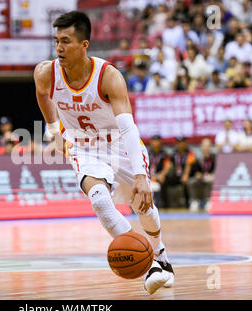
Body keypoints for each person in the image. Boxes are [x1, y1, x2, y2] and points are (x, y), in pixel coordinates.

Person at [34, 11, 174, 295]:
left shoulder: (108, 76)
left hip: (119, 146)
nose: (59, 48)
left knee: (144, 207)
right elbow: (41, 93)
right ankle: (150, 268)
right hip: (84, 148)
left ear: (84, 45)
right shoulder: (46, 72)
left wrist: (140, 176)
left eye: (66, 41)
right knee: (99, 200)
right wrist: (52, 130)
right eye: (56, 41)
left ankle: (160, 253)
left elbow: (128, 128)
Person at [187, 138, 216, 212]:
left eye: (208, 146)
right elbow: (195, 171)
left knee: (211, 182)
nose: (206, 148)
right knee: (191, 181)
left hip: (210, 177)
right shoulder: (197, 157)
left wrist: (212, 175)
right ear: (201, 146)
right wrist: (199, 175)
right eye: (204, 146)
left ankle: (208, 201)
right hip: (201, 177)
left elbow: (216, 169)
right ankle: (194, 201)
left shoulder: (214, 157)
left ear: (210, 147)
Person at [147, 135, 171, 209]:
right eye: (154, 141)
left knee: (161, 181)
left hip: (159, 176)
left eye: (157, 141)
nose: (156, 143)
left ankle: (159, 203)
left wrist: (161, 174)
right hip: (148, 175)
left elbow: (168, 166)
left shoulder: (164, 154)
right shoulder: (148, 153)